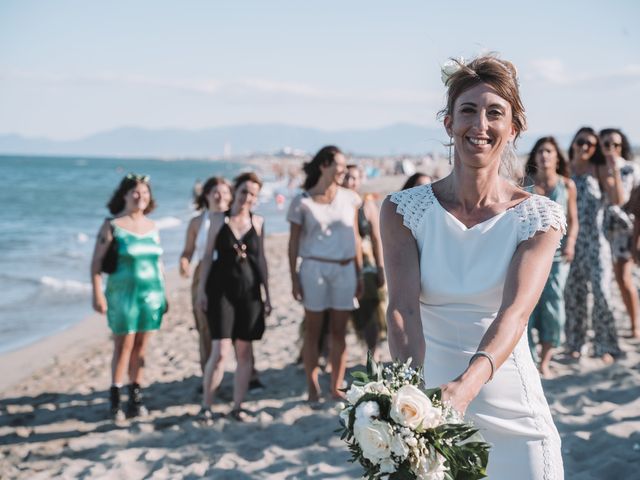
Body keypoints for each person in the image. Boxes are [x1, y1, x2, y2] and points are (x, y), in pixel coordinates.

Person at [380, 55, 565, 478]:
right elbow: (403, 310)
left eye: (495, 113)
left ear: (513, 129)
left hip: (513, 409)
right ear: (448, 123)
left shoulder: (538, 217)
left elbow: (515, 314)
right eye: (468, 110)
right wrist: (412, 397)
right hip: (430, 409)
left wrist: (467, 386)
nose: (480, 124)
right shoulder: (402, 211)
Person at [287, 146, 363, 403]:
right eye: (339, 165)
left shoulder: (350, 198)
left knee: (339, 332)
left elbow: (354, 237)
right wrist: (293, 277)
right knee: (313, 330)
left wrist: (359, 273)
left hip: (345, 269)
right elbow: (293, 243)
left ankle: (336, 386)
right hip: (313, 269)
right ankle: (312, 386)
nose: (343, 170)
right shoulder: (303, 201)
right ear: (324, 166)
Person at [90, 173, 167, 421]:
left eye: (145, 192)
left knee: (142, 347)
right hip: (122, 294)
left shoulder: (153, 227)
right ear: (124, 195)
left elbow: (159, 264)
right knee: (123, 346)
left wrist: (164, 294)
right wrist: (97, 294)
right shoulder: (112, 225)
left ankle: (136, 396)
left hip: (151, 293)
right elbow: (96, 264)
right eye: (135, 192)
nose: (140, 196)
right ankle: (115, 396)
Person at [196, 172, 271, 422]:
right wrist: (201, 291)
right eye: (243, 192)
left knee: (245, 351)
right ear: (235, 191)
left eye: (252, 195)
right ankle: (207, 406)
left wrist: (267, 294)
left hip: (249, 292)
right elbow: (207, 257)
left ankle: (238, 406)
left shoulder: (258, 222)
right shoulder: (218, 219)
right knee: (219, 351)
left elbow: (261, 260)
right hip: (221, 292)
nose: (247, 198)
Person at [564, 127, 623, 363]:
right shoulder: (566, 170)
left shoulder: (598, 170)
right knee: (574, 295)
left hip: (597, 243)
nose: (585, 147)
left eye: (591, 144)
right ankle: (575, 344)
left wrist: (613, 168)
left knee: (602, 293)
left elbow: (618, 199)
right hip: (571, 242)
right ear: (574, 144)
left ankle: (605, 344)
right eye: (581, 142)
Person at [524, 137, 578, 377]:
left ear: (557, 156)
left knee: (554, 307)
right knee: (527, 308)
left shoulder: (567, 186)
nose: (544, 155)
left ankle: (545, 360)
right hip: (528, 256)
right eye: (541, 151)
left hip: (557, 259)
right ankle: (531, 360)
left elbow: (574, 221)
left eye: (549, 151)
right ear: (535, 156)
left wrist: (571, 245)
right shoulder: (525, 185)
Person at [179, 177, 232, 373]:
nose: (220, 197)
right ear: (206, 195)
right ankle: (207, 373)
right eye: (216, 192)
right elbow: (188, 251)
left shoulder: (235, 218)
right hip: (203, 274)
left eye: (225, 192)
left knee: (234, 326)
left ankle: (247, 374)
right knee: (204, 326)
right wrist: (184, 263)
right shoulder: (197, 222)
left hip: (230, 272)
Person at [600, 128, 640, 338]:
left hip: (626, 230)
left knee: (625, 279)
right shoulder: (598, 169)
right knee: (613, 279)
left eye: (615, 144)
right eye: (606, 144)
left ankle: (635, 325)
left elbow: (622, 200)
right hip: (605, 231)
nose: (611, 148)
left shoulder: (630, 169)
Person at [343, 164, 386, 360]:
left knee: (370, 309)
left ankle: (373, 353)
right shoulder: (335, 203)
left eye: (354, 177)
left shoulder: (366, 204)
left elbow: (377, 237)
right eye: (346, 177)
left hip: (366, 261)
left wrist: (380, 267)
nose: (350, 181)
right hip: (340, 262)